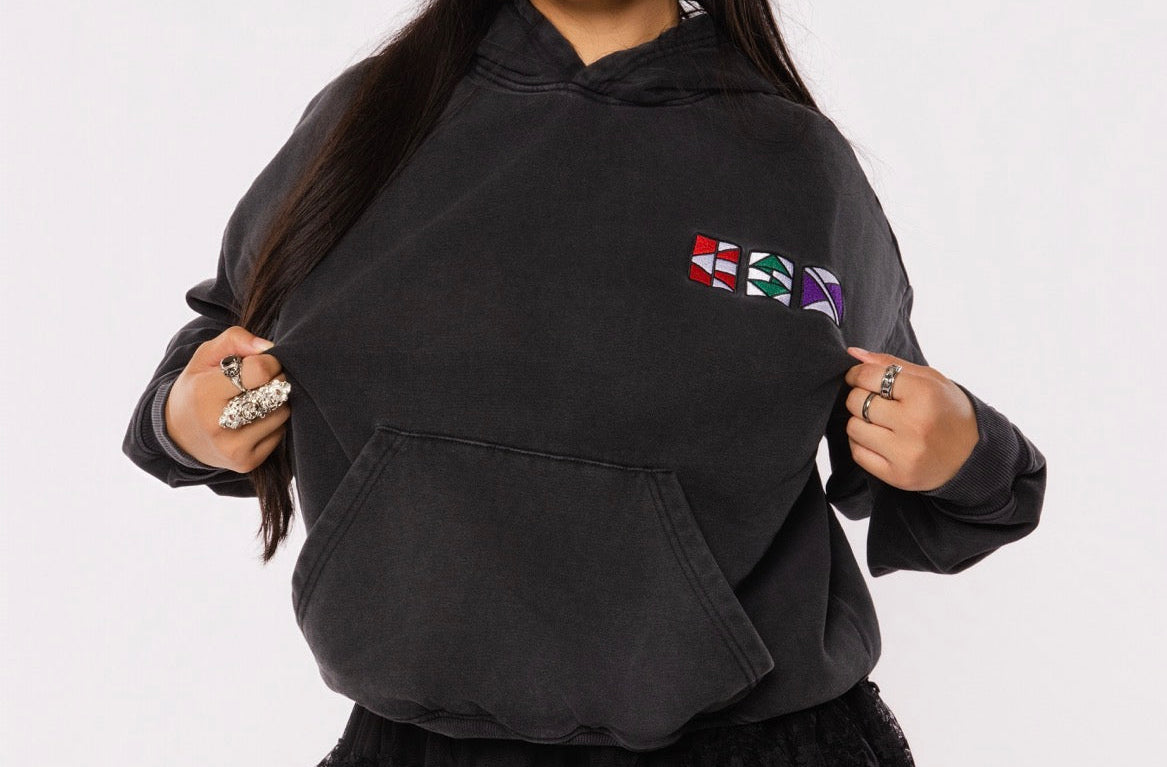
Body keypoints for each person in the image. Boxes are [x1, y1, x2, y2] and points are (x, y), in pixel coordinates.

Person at [121, 1, 1048, 765]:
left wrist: (966, 455)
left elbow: (910, 439)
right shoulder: (366, 121)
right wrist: (190, 420)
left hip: (753, 745)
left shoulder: (795, 163)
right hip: (417, 740)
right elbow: (222, 341)